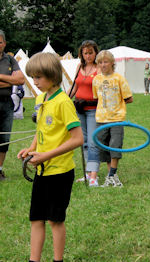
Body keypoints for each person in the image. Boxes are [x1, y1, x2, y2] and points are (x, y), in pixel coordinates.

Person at [18, 52, 83, 262]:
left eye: (39, 77)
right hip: (42, 171)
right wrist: (30, 149)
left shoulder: (63, 102)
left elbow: (77, 139)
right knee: (36, 219)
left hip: (60, 173)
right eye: (33, 77)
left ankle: (58, 260)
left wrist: (46, 155)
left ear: (53, 76)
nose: (35, 82)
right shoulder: (40, 98)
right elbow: (40, 131)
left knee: (55, 220)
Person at [92, 50, 133, 187]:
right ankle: (112, 175)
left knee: (115, 146)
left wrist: (116, 106)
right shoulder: (96, 80)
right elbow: (97, 98)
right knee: (102, 147)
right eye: (100, 62)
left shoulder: (119, 78)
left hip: (116, 118)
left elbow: (129, 98)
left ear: (112, 63)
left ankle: (111, 175)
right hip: (101, 119)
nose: (103, 65)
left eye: (106, 62)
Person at [68, 40, 100, 187]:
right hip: (79, 108)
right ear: (81, 54)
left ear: (95, 53)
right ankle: (88, 173)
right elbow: (74, 87)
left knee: (93, 142)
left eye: (90, 53)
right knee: (84, 141)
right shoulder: (79, 67)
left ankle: (94, 175)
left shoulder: (99, 68)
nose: (88, 56)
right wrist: (65, 99)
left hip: (93, 109)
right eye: (85, 53)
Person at [0, 29, 25, 180]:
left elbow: (20, 80)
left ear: (4, 43)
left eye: (0, 42)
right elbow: (13, 80)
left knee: (4, 139)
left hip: (6, 104)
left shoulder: (10, 60)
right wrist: (9, 80)